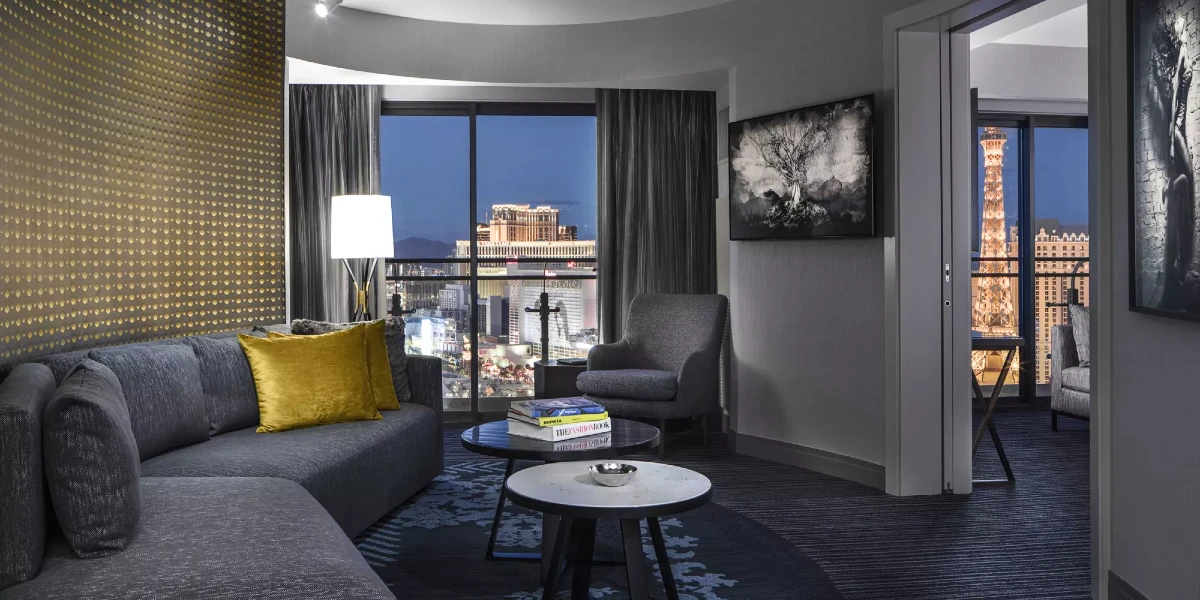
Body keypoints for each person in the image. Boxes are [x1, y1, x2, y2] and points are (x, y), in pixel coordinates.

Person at [1155, 18, 1196, 309]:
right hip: (1178, 130)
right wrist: (1171, 138)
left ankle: (1172, 189)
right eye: (1180, 25)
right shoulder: (1181, 53)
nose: (1182, 25)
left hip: (1178, 130)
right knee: (1190, 177)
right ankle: (1171, 189)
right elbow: (1171, 112)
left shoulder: (1182, 53)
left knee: (1188, 179)